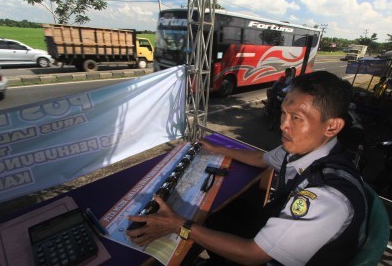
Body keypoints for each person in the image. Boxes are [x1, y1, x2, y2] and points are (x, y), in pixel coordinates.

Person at [127, 71, 368, 265]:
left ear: (332, 126)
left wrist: (178, 226)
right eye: (284, 113)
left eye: (297, 118)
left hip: (266, 257)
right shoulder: (303, 150)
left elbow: (254, 254)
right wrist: (219, 150)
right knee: (210, 215)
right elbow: (261, 159)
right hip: (271, 232)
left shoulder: (326, 197)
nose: (283, 125)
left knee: (192, 224)